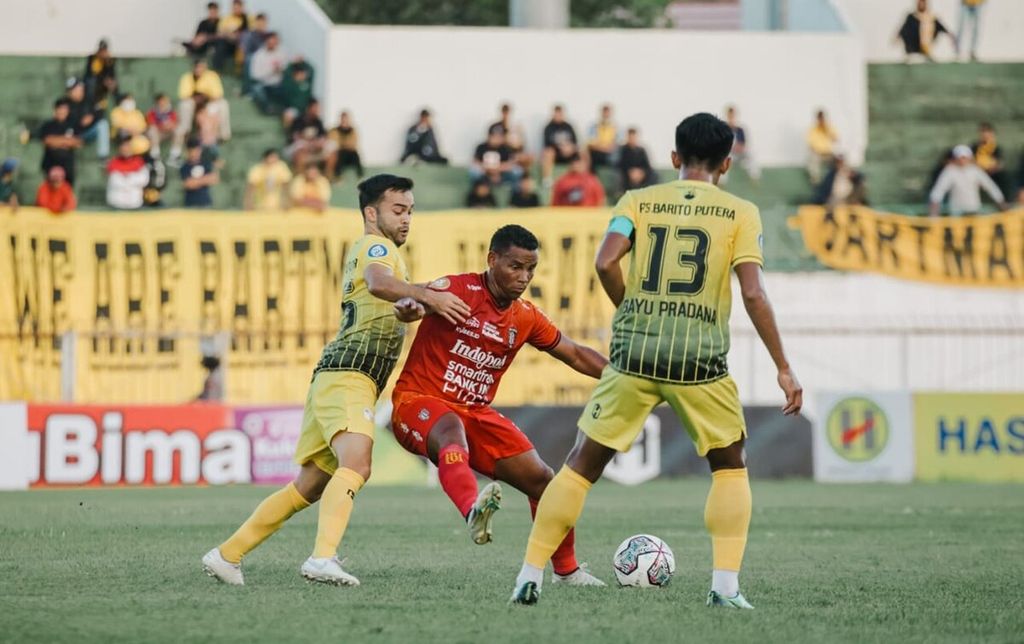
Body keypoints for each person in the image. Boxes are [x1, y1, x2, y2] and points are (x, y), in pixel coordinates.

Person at [509, 112, 803, 609]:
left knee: (580, 465)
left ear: (673, 159)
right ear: (727, 164)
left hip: (634, 355)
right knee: (730, 467)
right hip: (699, 360)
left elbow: (605, 261)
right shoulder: (740, 212)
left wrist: (630, 308)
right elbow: (753, 293)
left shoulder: (637, 201)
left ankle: (529, 575)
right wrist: (783, 366)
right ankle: (725, 589)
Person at [201, 174, 471, 587]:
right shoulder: (373, 246)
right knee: (358, 463)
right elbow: (379, 283)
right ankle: (322, 558)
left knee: (307, 487)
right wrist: (431, 297)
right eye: (398, 210)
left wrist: (410, 308)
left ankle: (226, 555)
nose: (406, 219)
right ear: (370, 212)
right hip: (350, 376)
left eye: (411, 211)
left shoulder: (386, 257)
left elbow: (382, 295)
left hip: (339, 375)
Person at [389, 224, 608, 585]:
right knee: (449, 429)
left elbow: (574, 353)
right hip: (418, 401)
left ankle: (567, 572)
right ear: (492, 260)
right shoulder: (458, 290)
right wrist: (411, 307)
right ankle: (473, 509)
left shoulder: (524, 316)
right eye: (515, 267)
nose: (524, 277)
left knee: (542, 480)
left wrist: (625, 378)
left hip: (475, 412)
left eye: (531, 269)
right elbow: (414, 302)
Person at [173, 59, 231, 160]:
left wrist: (205, 97)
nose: (199, 69)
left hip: (208, 103)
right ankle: (185, 128)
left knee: (222, 104)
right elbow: (184, 96)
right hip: (193, 102)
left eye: (202, 67)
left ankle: (223, 134)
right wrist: (197, 98)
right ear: (194, 68)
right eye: (198, 67)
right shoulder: (187, 77)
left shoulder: (211, 76)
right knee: (186, 104)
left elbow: (217, 95)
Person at [928, 144, 1006, 216]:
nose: (962, 160)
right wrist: (934, 212)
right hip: (957, 213)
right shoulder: (950, 171)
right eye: (960, 157)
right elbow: (938, 191)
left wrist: (1001, 204)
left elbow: (990, 187)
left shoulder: (975, 170)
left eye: (964, 157)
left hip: (974, 210)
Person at [39, 98, 82, 187]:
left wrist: (57, 141)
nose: (62, 111)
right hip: (50, 164)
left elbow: (77, 142)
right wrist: (66, 141)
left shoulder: (73, 125)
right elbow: (47, 141)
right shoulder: (48, 125)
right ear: (55, 110)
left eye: (65, 109)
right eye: (60, 109)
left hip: (68, 167)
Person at [285, 100, 336, 173]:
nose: (317, 111)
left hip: (314, 147)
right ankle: (300, 178)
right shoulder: (298, 120)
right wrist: (310, 142)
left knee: (332, 147)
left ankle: (328, 175)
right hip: (297, 148)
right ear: (309, 108)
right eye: (315, 108)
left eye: (318, 109)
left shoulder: (318, 122)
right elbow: (296, 138)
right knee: (300, 149)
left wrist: (317, 143)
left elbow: (324, 137)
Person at [66, 78, 110, 159]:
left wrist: (92, 117)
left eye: (78, 88)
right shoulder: (66, 105)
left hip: (89, 132)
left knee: (103, 124)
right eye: (73, 90)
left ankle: (103, 158)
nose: (76, 91)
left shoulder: (90, 99)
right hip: (76, 135)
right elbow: (66, 125)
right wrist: (80, 124)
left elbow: (100, 112)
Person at [248, 32, 287, 114]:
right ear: (266, 42)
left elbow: (285, 68)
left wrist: (282, 70)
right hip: (263, 84)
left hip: (277, 84)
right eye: (270, 42)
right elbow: (255, 75)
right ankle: (267, 109)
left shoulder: (281, 54)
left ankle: (283, 110)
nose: (273, 44)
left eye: (275, 42)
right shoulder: (259, 55)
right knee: (257, 90)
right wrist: (271, 71)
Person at [106, 137, 149, 210]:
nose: (126, 149)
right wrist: (132, 178)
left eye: (128, 146)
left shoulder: (139, 162)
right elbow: (114, 181)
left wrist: (127, 177)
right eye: (123, 146)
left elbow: (144, 180)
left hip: (135, 203)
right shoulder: (113, 162)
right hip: (116, 204)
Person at [541, 105, 579, 185]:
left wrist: (569, 148)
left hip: (569, 152)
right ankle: (547, 179)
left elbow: (575, 142)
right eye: (556, 114)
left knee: (583, 153)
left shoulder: (569, 126)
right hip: (556, 154)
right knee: (548, 152)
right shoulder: (548, 127)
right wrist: (561, 147)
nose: (558, 116)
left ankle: (582, 177)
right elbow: (547, 144)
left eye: (560, 114)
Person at [724, 105, 760, 182]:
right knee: (723, 157)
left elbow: (744, 143)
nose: (731, 117)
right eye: (730, 115)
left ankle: (754, 178)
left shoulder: (740, 130)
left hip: (739, 154)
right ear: (727, 116)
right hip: (729, 155)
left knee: (752, 154)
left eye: (733, 115)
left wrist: (740, 147)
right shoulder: (724, 129)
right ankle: (722, 182)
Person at [971, 122, 1008, 195]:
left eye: (987, 131)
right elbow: (970, 160)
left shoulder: (996, 148)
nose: (985, 134)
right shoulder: (974, 147)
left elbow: (1000, 163)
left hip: (992, 172)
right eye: (982, 131)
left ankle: (1004, 200)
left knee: (1003, 176)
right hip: (977, 171)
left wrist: (992, 169)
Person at [212, 0, 249, 72]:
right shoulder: (226, 18)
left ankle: (240, 68)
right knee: (220, 43)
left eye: (238, 8)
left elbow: (249, 33)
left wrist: (233, 34)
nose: (236, 10)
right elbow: (220, 33)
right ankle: (217, 70)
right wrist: (230, 35)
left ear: (242, 7)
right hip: (228, 43)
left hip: (241, 44)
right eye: (234, 8)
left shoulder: (247, 18)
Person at [327, 111, 364, 181]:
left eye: (346, 119)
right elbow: (334, 143)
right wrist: (345, 145)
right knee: (341, 153)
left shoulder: (353, 130)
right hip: (340, 154)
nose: (344, 121)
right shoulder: (334, 130)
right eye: (343, 119)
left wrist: (344, 144)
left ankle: (360, 175)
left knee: (355, 154)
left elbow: (354, 144)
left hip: (350, 155)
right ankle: (338, 176)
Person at [617, 127, 657, 192]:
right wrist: (630, 172)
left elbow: (647, 165)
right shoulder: (623, 149)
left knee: (654, 174)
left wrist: (641, 173)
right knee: (621, 176)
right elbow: (620, 164)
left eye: (634, 137)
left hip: (640, 174)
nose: (632, 139)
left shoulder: (642, 150)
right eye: (630, 137)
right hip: (627, 174)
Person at [180, 139, 218, 207]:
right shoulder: (185, 166)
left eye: (198, 150)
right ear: (188, 151)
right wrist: (205, 179)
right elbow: (188, 184)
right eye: (193, 150)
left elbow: (214, 178)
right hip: (190, 203)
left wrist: (195, 181)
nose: (196, 153)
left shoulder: (205, 163)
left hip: (205, 202)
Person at [279, 59, 315, 129]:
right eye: (300, 74)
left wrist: (304, 62)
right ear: (295, 75)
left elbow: (312, 71)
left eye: (303, 74)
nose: (302, 76)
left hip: (305, 109)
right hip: (293, 109)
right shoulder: (290, 84)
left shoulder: (306, 84)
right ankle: (289, 133)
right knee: (288, 115)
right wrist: (292, 63)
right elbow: (286, 73)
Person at [806, 109, 838, 186]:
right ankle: (816, 181)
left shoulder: (829, 127)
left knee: (839, 161)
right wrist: (817, 150)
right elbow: (810, 144)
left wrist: (827, 129)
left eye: (822, 118)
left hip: (828, 153)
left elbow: (835, 139)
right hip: (818, 153)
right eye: (820, 118)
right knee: (812, 161)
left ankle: (836, 180)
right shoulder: (813, 130)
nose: (821, 120)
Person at [83, 39, 117, 109]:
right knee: (91, 82)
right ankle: (93, 104)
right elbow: (90, 74)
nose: (102, 52)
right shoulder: (93, 58)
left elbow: (111, 74)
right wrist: (103, 80)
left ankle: (115, 105)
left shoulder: (110, 60)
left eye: (104, 50)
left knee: (113, 84)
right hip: (95, 82)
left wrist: (107, 62)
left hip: (104, 84)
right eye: (101, 50)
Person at [586, 104, 618, 170]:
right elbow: (591, 144)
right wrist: (603, 148)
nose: (606, 114)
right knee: (591, 154)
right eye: (604, 112)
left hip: (610, 154)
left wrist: (607, 148)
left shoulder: (615, 127)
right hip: (597, 152)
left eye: (607, 113)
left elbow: (615, 145)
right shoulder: (594, 126)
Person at [146, 93, 178, 157]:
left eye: (165, 100)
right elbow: (152, 124)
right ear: (158, 102)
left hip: (168, 133)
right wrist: (162, 126)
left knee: (179, 130)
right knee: (152, 130)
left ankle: (175, 155)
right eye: (163, 100)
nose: (165, 102)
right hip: (158, 134)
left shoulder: (171, 111)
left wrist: (170, 126)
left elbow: (175, 123)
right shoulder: (152, 112)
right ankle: (155, 156)